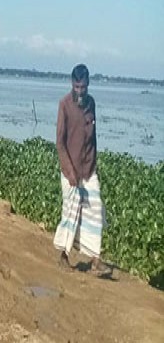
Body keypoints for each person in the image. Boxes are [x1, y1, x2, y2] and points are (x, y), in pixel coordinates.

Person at [54, 64, 112, 275]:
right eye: (77, 87)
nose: (80, 91)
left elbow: (93, 137)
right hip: (70, 170)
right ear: (72, 84)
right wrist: (69, 172)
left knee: (96, 209)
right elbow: (60, 142)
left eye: (84, 87)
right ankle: (63, 255)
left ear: (88, 85)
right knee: (71, 211)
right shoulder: (64, 105)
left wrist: (94, 165)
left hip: (88, 168)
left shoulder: (91, 104)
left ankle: (96, 260)